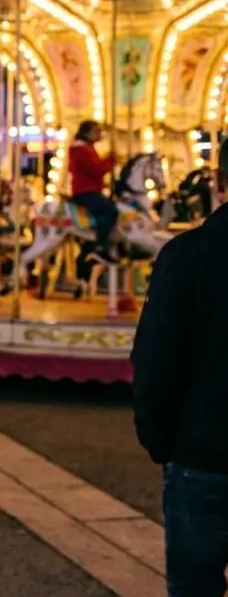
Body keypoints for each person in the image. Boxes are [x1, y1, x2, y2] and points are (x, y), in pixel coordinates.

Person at [132, 138, 228, 597]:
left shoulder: (186, 256)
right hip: (197, 452)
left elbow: (156, 360)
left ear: (219, 184)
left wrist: (162, 441)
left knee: (194, 587)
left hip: (200, 456)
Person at [68, 120, 118, 262]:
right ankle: (101, 245)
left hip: (88, 189)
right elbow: (95, 170)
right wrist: (110, 161)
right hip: (85, 191)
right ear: (86, 133)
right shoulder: (82, 150)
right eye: (96, 131)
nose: (99, 134)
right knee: (110, 211)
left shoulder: (83, 148)